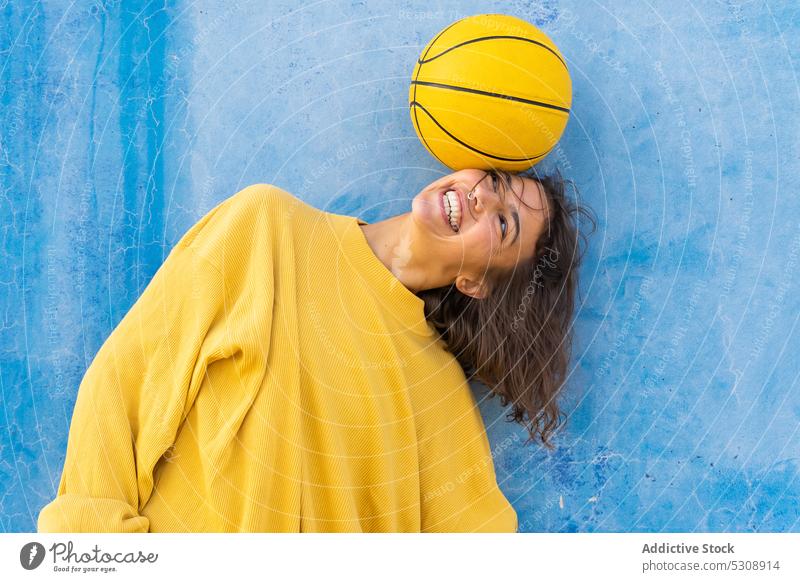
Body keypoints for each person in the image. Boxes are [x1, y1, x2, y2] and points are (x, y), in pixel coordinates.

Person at [36, 167, 594, 533]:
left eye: (502, 223)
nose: (478, 198)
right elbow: (122, 388)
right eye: (492, 182)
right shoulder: (265, 226)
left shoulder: (439, 399)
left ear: (478, 284)